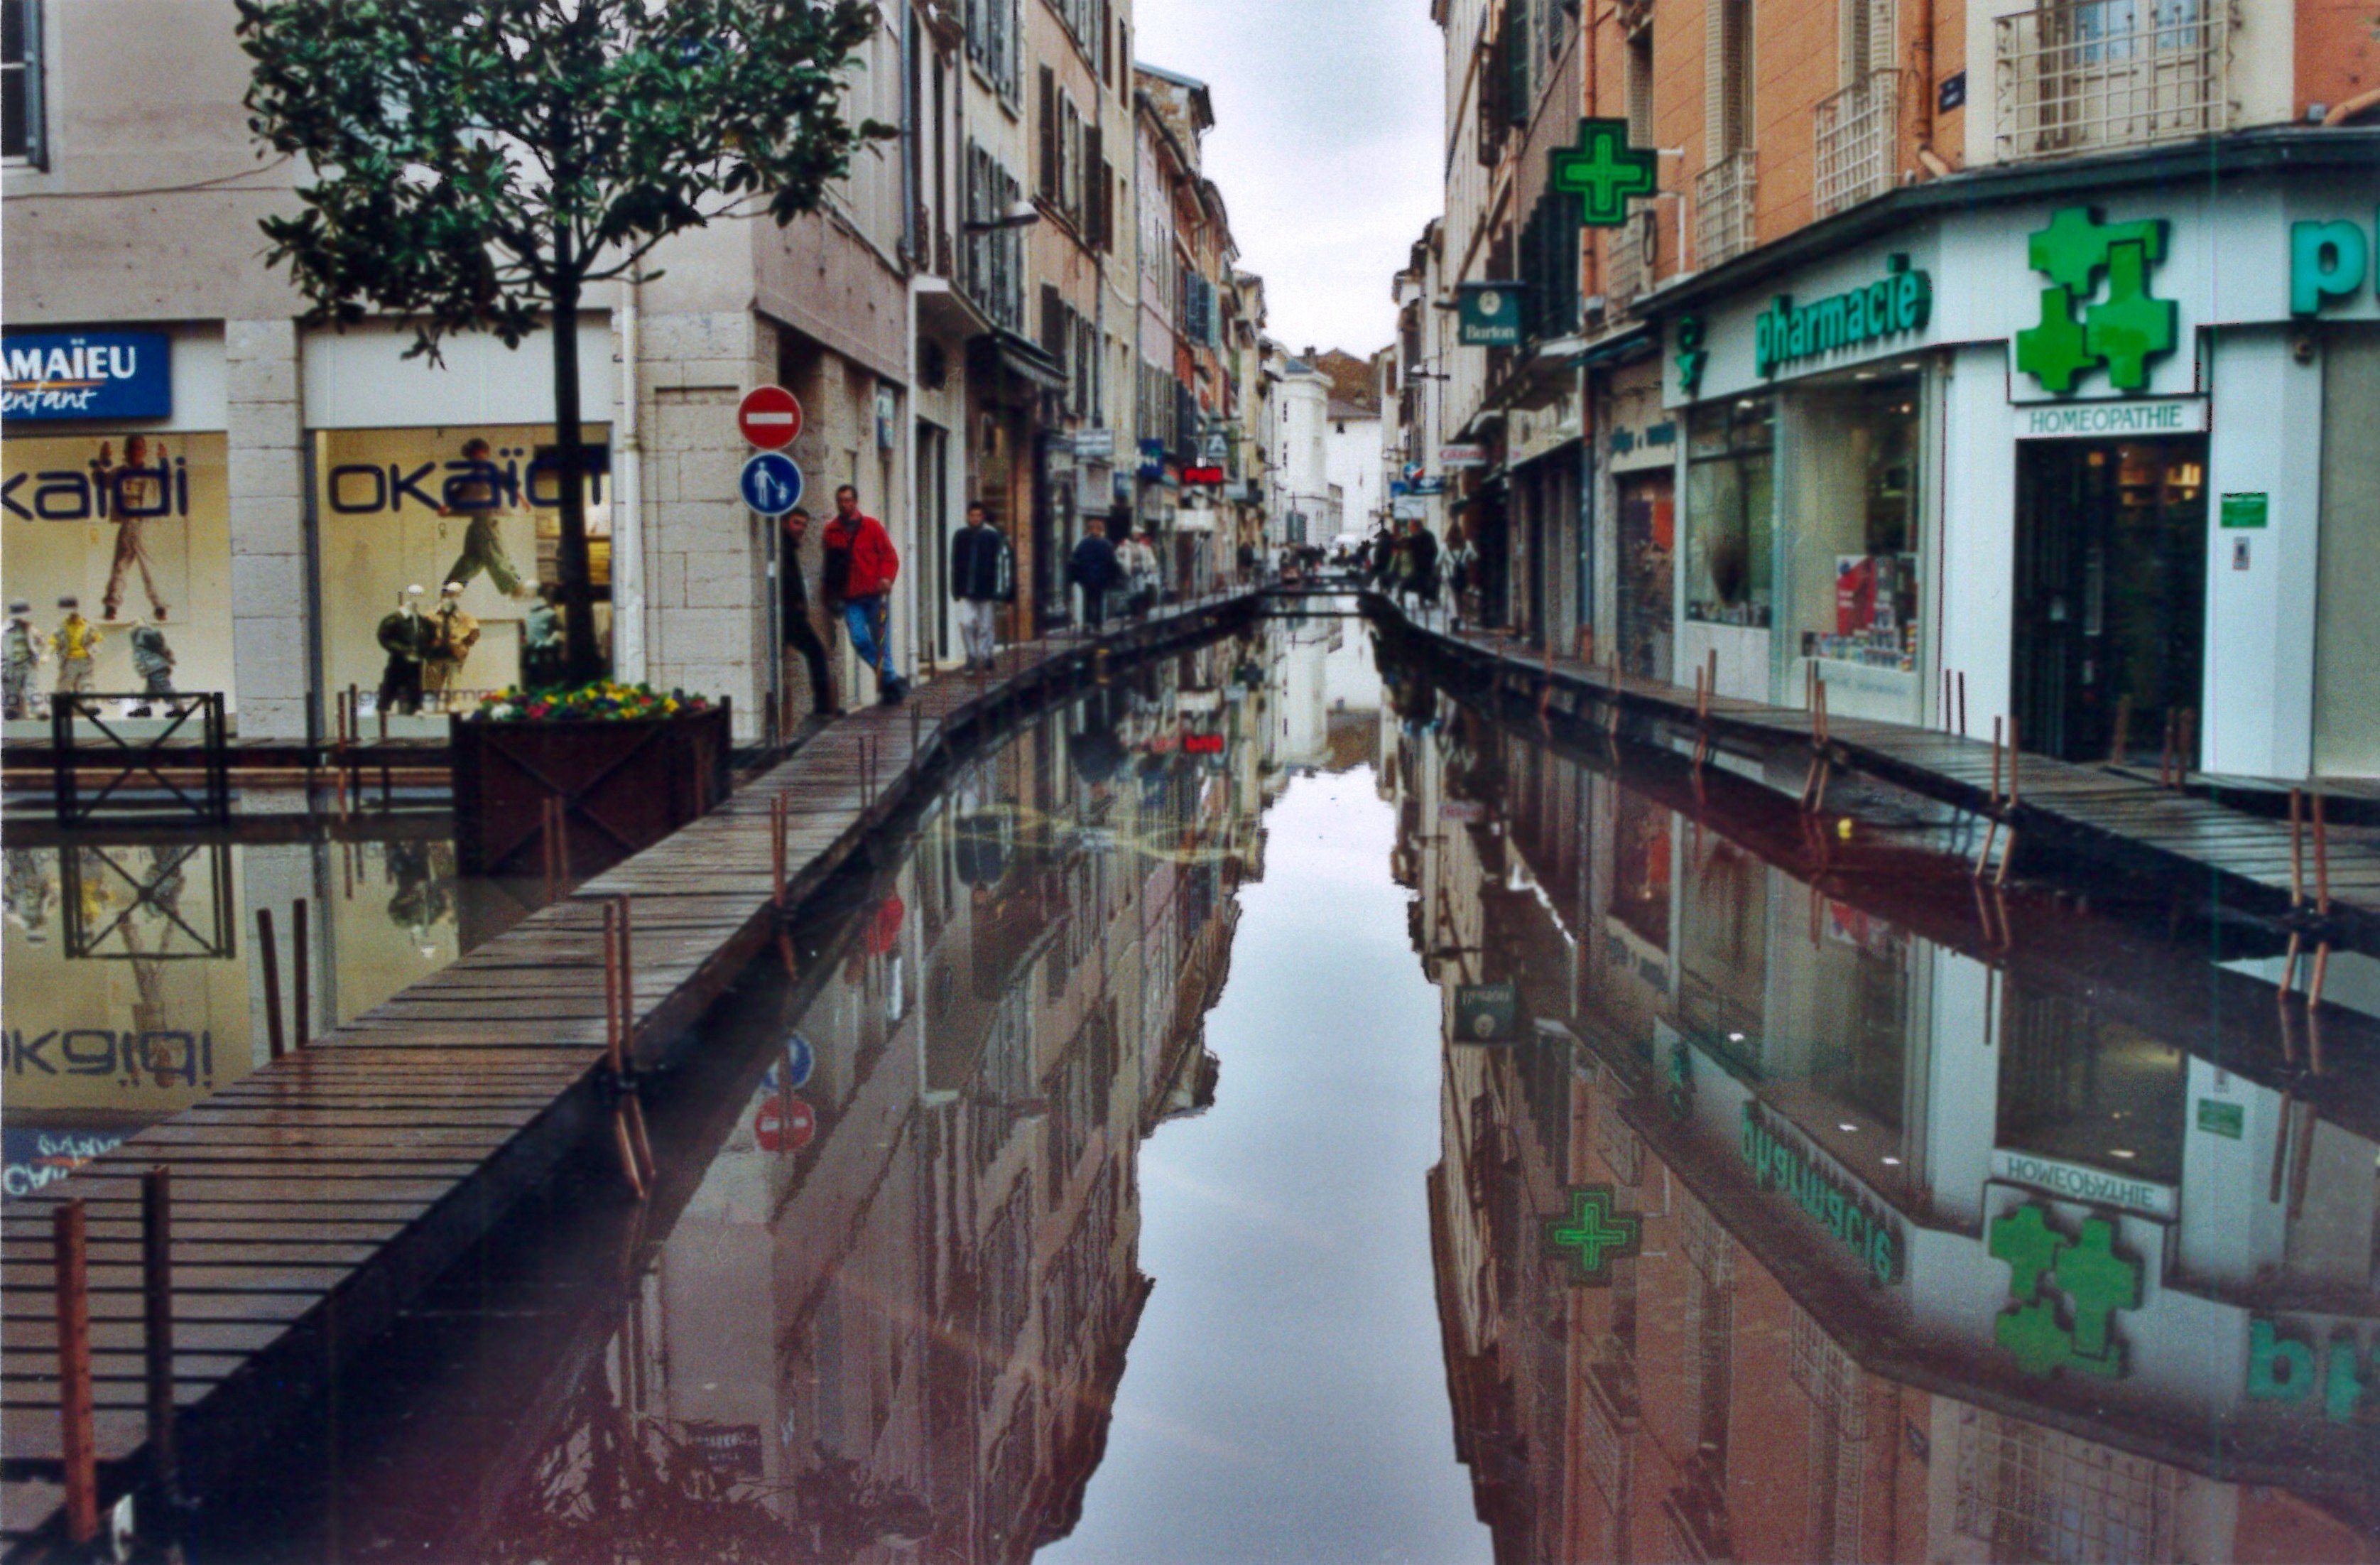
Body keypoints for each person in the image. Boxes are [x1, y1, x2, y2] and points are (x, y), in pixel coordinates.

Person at [822, 484, 906, 705]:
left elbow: (889, 556)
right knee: (859, 639)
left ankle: (889, 689)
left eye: (848, 500)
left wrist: (886, 577)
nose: (845, 504)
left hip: (875, 595)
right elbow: (829, 569)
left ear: (855, 501)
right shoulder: (831, 532)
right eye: (841, 500)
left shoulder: (872, 526)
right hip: (851, 597)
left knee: (881, 642)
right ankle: (891, 678)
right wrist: (830, 597)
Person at [440, 437, 534, 599]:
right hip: (482, 520)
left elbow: (510, 485)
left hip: (483, 519)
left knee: (474, 557)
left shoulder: (493, 472)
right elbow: (458, 493)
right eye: (475, 457)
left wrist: (523, 500)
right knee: (493, 553)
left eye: (480, 456)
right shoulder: (472, 477)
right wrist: (446, 506)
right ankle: (514, 586)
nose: (478, 460)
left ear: (486, 454)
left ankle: (452, 587)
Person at [94, 436, 170, 624]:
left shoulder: (152, 474)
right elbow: (101, 479)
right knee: (120, 565)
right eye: (132, 448)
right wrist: (103, 459)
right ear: (126, 452)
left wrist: (163, 460)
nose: (135, 452)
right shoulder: (119, 473)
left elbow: (167, 479)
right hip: (128, 523)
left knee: (150, 567)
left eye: (139, 448)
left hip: (145, 524)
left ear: (144, 452)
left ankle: (160, 606)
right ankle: (112, 606)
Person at [780, 507, 837, 717]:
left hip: (792, 614)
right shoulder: (782, 548)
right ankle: (823, 706)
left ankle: (823, 705)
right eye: (796, 523)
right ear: (784, 522)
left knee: (815, 652)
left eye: (804, 524)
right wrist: (795, 602)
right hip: (789, 616)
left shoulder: (789, 546)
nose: (801, 528)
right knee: (816, 652)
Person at [949, 501, 1012, 672]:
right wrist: (955, 588)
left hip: (987, 588)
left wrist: (1002, 590)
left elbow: (1001, 564)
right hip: (967, 588)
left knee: (986, 625)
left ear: (983, 517)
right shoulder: (961, 536)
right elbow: (955, 563)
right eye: (972, 515)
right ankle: (971, 655)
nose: (975, 519)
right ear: (968, 516)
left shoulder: (992, 536)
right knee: (965, 623)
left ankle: (986, 656)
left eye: (978, 516)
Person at [423, 582, 482, 709]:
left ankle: (453, 706)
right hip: (435, 656)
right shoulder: (430, 616)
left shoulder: (465, 618)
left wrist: (463, 646)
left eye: (454, 595)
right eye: (447, 594)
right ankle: (430, 706)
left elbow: (475, 632)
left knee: (454, 683)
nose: (449, 597)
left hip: (455, 655)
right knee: (432, 686)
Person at [376, 585, 432, 717]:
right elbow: (384, 637)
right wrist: (404, 649)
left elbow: (429, 638)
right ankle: (383, 708)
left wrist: (423, 651)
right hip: (399, 660)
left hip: (416, 660)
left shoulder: (422, 621)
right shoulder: (395, 619)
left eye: (420, 596)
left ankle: (416, 707)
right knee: (392, 683)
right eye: (415, 596)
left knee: (415, 684)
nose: (417, 600)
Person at [1067, 516, 1122, 633]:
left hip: (1086, 578)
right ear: (1101, 530)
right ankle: (1098, 625)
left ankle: (1087, 624)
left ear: (1089, 530)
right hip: (1101, 577)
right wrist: (1115, 577)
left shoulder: (1083, 543)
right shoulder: (1106, 544)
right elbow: (1112, 562)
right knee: (1099, 599)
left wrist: (1076, 576)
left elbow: (1075, 559)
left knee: (1087, 599)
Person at [52, 598, 101, 697]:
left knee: (86, 683)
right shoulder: (62, 627)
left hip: (85, 660)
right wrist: (46, 655)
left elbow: (97, 639)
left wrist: (95, 650)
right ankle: (62, 703)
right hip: (69, 661)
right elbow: (53, 642)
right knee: (65, 684)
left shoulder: (87, 626)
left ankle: (89, 702)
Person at [6, 601, 45, 720]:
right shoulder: (5, 630)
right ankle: (12, 710)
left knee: (32, 688)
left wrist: (38, 655)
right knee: (12, 689)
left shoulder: (30, 628)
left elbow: (41, 642)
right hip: (12, 665)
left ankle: (38, 710)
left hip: (27, 664)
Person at [522, 584, 565, 690]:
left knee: (546, 682)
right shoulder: (526, 613)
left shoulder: (550, 614)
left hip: (546, 654)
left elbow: (559, 630)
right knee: (532, 682)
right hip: (531, 654)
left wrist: (549, 641)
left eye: (530, 592)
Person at [127, 622, 175, 716]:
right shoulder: (145, 639)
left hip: (154, 666)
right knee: (151, 689)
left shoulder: (143, 636)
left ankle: (177, 708)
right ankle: (143, 707)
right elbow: (161, 648)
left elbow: (159, 648)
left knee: (164, 687)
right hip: (154, 666)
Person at [1117, 524, 1160, 618]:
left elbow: (1150, 558)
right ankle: (1133, 612)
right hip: (1129, 572)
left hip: (1141, 571)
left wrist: (1152, 567)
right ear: (1133, 534)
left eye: (1140, 534)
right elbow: (1118, 556)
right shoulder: (1125, 544)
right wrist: (1123, 565)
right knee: (1132, 593)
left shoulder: (1144, 545)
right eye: (1137, 534)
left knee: (1141, 591)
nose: (1139, 536)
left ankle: (1140, 612)